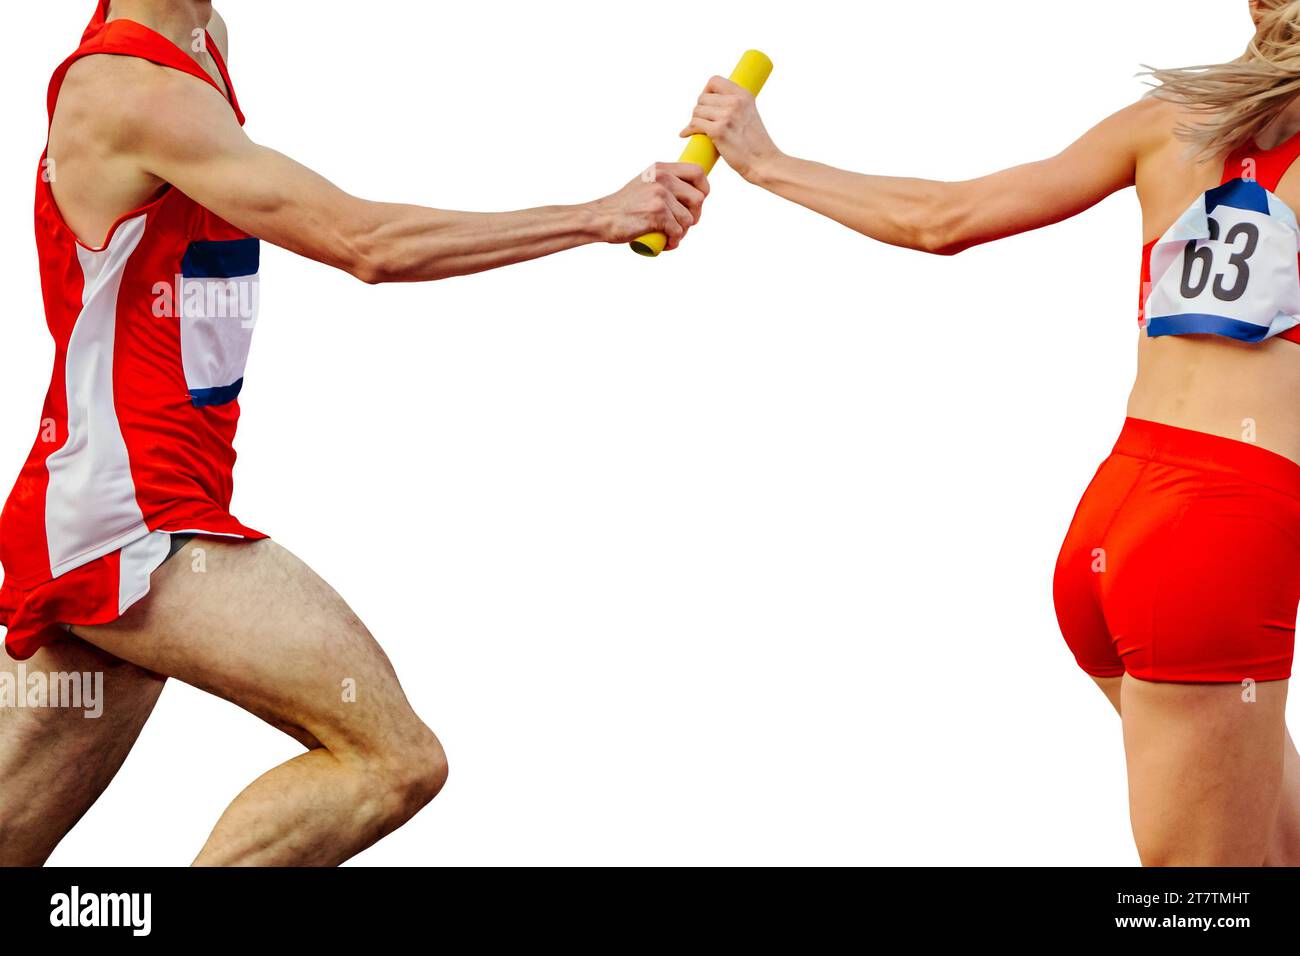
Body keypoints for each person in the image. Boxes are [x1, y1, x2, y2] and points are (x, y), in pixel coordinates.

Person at [0, 0, 708, 866]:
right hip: (128, 519)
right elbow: (363, 241)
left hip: (114, 501)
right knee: (391, 758)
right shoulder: (131, 90)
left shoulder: (200, 40)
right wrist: (597, 214)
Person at [683, 0, 1300, 866]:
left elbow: (945, 219)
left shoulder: (1169, 122)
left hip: (1124, 519)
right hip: (1220, 543)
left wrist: (767, 162)